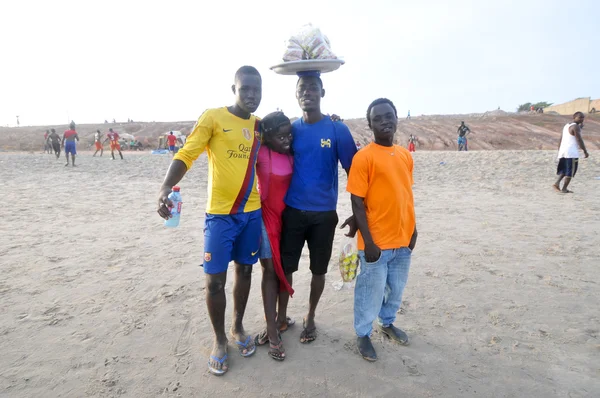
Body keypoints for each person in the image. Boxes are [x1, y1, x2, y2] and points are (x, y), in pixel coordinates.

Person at [156, 65, 263, 376]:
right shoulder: (214, 117)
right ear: (234, 90)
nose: (252, 95)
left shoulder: (260, 127)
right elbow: (188, 153)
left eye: (257, 90)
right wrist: (165, 187)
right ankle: (219, 341)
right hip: (219, 216)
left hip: (251, 212)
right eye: (246, 89)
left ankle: (238, 328)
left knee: (245, 271)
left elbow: (287, 137)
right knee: (214, 281)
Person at [280, 70, 357, 344]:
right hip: (292, 211)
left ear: (322, 93)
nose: (307, 92)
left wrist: (358, 214)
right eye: (302, 88)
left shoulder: (337, 129)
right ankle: (281, 316)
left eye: (313, 88)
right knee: (286, 267)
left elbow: (354, 171)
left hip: (324, 215)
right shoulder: (290, 129)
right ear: (296, 94)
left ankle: (310, 316)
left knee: (319, 271)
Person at [346, 98, 417, 362]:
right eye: (378, 118)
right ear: (370, 124)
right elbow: (356, 201)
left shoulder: (404, 155)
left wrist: (414, 229)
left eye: (389, 116)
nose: (385, 121)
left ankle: (387, 323)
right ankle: (363, 334)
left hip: (403, 239)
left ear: (397, 118)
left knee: (396, 288)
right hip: (376, 242)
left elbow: (406, 195)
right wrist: (369, 241)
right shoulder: (363, 157)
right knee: (370, 290)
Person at [253, 111, 295, 362]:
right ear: (268, 136)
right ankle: (271, 329)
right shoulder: (260, 153)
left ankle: (281, 320)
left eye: (288, 134)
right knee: (269, 270)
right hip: (266, 218)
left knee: (286, 268)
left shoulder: (290, 152)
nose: (287, 139)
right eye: (280, 136)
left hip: (288, 219)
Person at [553, 112, 589, 193]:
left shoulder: (567, 125)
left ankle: (557, 183)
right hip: (571, 153)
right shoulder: (575, 127)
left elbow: (562, 138)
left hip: (564, 151)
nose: (582, 119)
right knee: (570, 171)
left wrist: (560, 150)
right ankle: (564, 188)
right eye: (580, 117)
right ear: (574, 117)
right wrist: (585, 151)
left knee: (565, 169)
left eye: (583, 118)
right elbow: (579, 140)